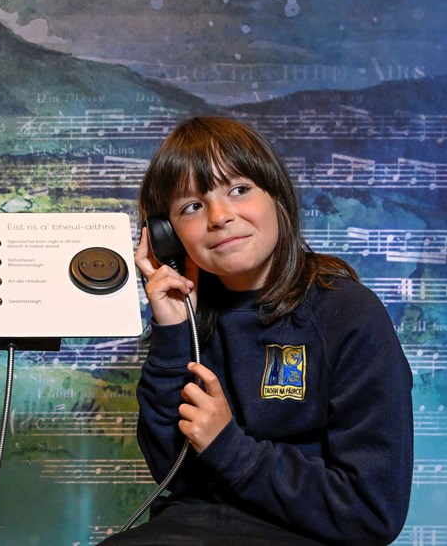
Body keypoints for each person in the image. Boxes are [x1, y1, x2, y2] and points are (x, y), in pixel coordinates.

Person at [101, 117, 413, 546]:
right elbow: (172, 473)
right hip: (192, 530)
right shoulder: (190, 320)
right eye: (191, 206)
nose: (220, 216)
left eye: (239, 189)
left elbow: (372, 511)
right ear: (166, 237)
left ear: (277, 197)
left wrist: (228, 446)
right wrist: (173, 334)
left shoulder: (349, 315)